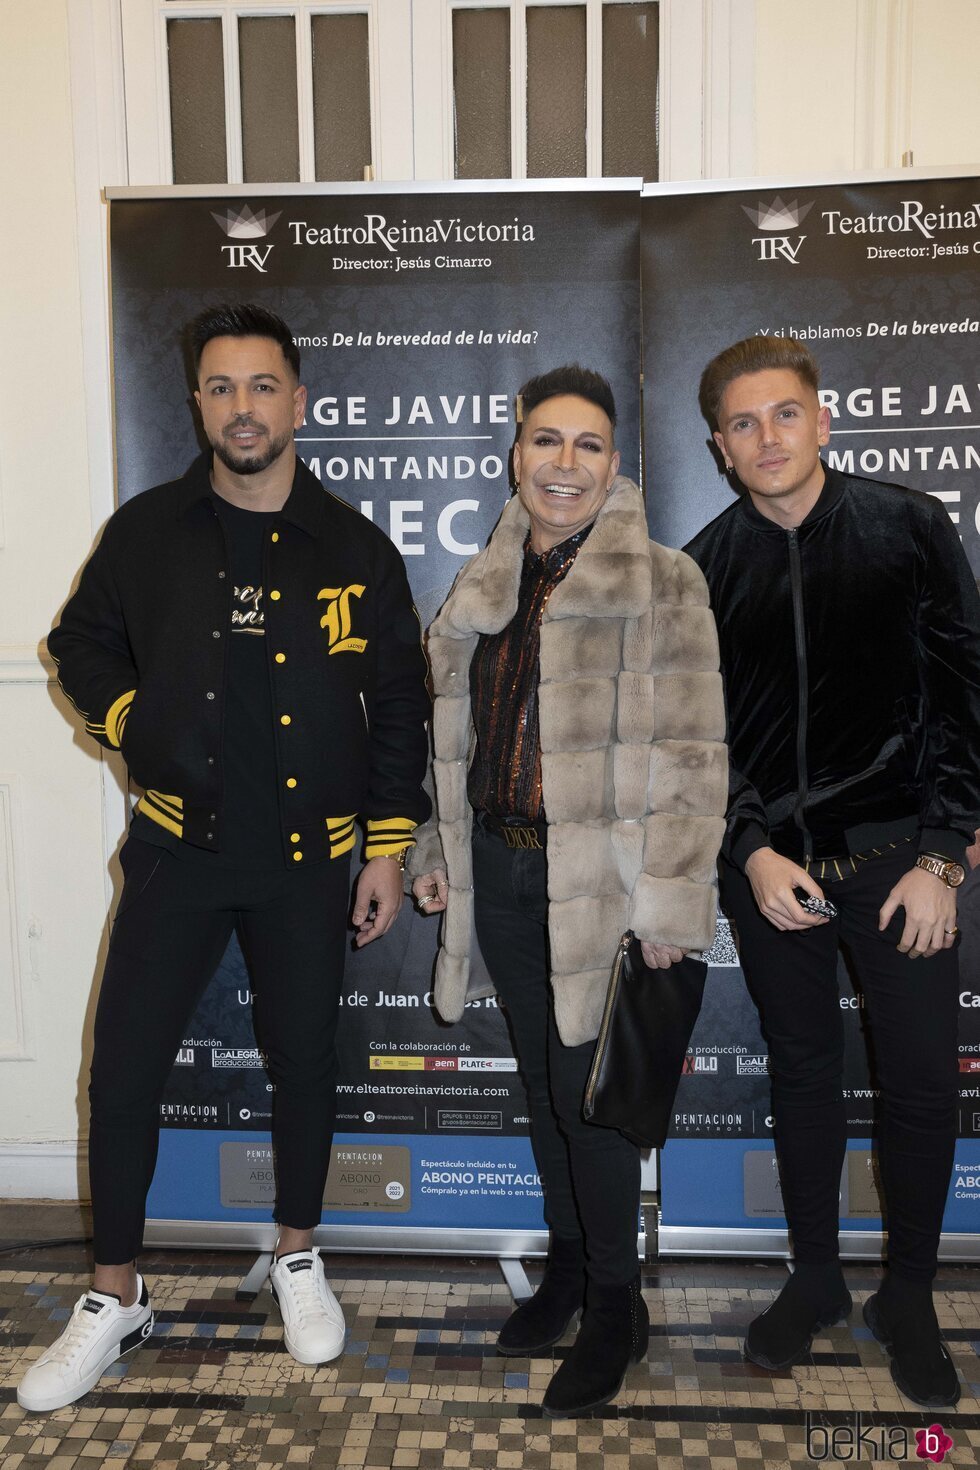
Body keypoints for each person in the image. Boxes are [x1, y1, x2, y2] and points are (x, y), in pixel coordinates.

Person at [20, 303, 430, 1412]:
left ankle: (298, 1255)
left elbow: (399, 705)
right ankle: (114, 1297)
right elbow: (76, 646)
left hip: (310, 860)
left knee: (304, 1061)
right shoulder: (147, 531)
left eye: (262, 387)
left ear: (298, 403)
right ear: (196, 402)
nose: (241, 407)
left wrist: (386, 849)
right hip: (174, 852)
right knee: (123, 1074)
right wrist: (127, 725)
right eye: (219, 387)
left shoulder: (356, 547)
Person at [411, 365, 727, 1416]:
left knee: (592, 1109)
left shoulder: (664, 581)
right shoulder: (482, 579)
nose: (562, 464)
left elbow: (691, 762)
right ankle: (562, 1268)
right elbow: (448, 741)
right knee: (547, 1092)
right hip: (498, 871)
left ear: (614, 463)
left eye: (586, 444)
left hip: (603, 885)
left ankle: (612, 1310)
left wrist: (672, 912)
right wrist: (434, 847)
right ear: (515, 453)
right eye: (545, 441)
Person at [685, 334, 980, 1410]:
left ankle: (906, 1293)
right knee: (801, 1071)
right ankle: (812, 1278)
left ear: (821, 417)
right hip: (769, 871)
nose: (765, 438)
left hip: (904, 860)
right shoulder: (702, 565)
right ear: (717, 445)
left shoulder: (907, 526)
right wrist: (751, 850)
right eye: (742, 423)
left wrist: (942, 854)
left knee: (914, 1081)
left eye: (783, 414)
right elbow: (699, 740)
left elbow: (961, 696)